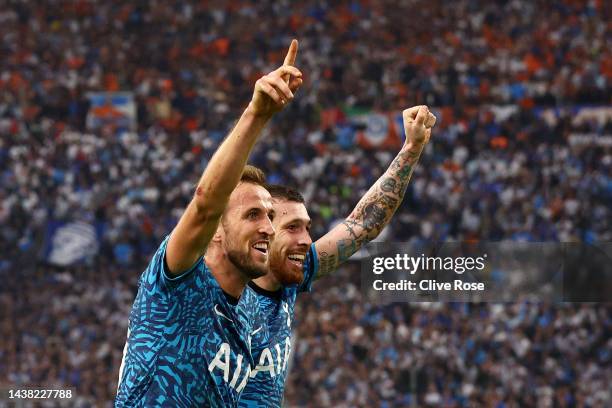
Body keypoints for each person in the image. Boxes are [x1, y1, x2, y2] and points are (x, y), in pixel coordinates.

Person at [115, 40, 303, 407]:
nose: (268, 227)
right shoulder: (178, 282)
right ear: (217, 228)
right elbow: (204, 206)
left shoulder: (249, 315)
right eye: (252, 214)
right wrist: (257, 114)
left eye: (269, 215)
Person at [240, 106, 437, 406]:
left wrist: (411, 148)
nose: (306, 240)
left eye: (306, 228)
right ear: (264, 230)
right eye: (292, 228)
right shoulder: (216, 288)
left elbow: (362, 224)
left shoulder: (293, 275)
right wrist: (256, 112)